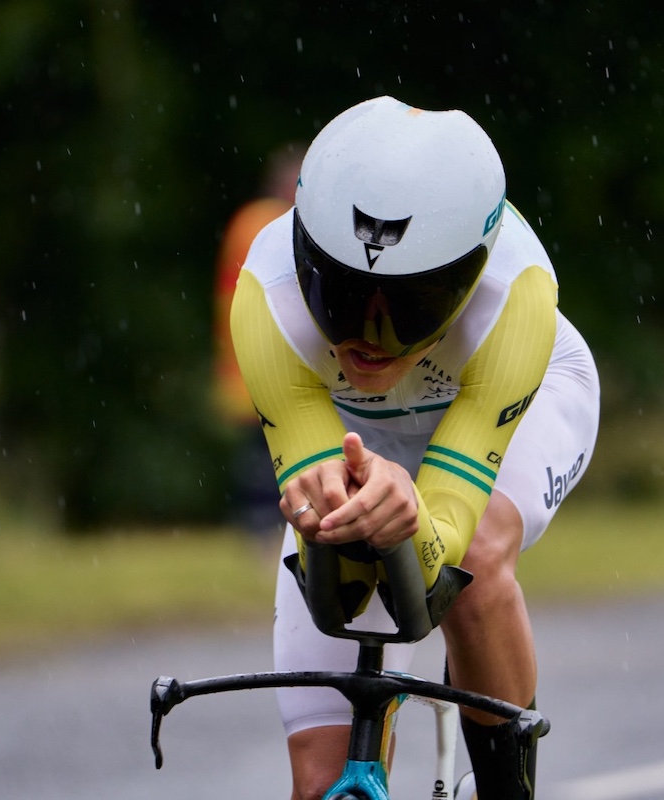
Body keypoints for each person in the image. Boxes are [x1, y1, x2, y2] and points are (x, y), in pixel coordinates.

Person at [229, 96, 600, 800]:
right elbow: (330, 547)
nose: (369, 336)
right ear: (307, 255)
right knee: (320, 783)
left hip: (511, 406)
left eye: (411, 306)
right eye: (339, 294)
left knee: (477, 560)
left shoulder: (515, 292)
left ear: (466, 279)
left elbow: (447, 536)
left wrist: (419, 521)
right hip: (353, 434)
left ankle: (504, 787)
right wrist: (345, 523)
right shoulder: (267, 295)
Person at [212, 144, 306, 540]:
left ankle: (268, 529)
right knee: (265, 451)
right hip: (259, 360)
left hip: (253, 359)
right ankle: (264, 531)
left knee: (266, 450)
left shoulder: (253, 220)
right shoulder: (265, 223)